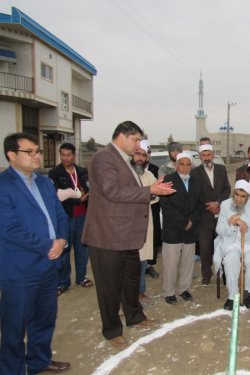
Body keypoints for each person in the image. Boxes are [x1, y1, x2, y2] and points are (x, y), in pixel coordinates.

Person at [82, 121, 176, 349]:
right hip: (108, 236)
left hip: (127, 236)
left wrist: (154, 190)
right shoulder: (105, 158)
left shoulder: (124, 161)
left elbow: (131, 193)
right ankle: (112, 329)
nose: (137, 146)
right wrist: (150, 190)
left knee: (130, 281)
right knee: (109, 287)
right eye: (135, 140)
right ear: (122, 136)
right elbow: (112, 191)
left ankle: (135, 316)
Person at [0, 133, 70, 374]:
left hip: (49, 265)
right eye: (29, 152)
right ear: (11, 155)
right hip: (20, 269)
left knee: (44, 319)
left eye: (38, 151)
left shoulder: (43, 182)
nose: (36, 155)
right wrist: (47, 245)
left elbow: (60, 215)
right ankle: (12, 369)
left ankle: (39, 361)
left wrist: (61, 241)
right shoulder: (3, 185)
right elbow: (9, 228)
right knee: (15, 325)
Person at [214, 180, 250, 311]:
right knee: (231, 259)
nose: (239, 199)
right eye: (236, 195)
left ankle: (247, 292)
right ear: (233, 193)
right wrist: (233, 224)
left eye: (243, 196)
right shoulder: (225, 205)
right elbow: (219, 229)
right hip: (230, 241)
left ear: (248, 197)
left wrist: (241, 217)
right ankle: (233, 295)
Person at [49, 142, 93, 295]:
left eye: (69, 155)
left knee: (82, 249)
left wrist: (85, 196)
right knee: (65, 250)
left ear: (74, 155)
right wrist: (78, 199)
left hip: (83, 216)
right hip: (65, 217)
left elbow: (89, 189)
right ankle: (63, 282)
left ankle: (82, 277)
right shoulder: (55, 173)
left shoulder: (82, 171)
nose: (66, 158)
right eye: (63, 155)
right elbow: (57, 196)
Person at [160, 152, 202, 304]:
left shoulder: (196, 182)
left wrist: (192, 220)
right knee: (171, 263)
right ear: (176, 165)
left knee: (187, 262)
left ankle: (183, 288)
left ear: (191, 166)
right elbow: (166, 206)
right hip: (173, 230)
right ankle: (169, 291)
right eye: (182, 164)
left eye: (188, 164)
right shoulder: (168, 180)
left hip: (191, 230)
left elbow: (200, 204)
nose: (185, 168)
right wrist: (184, 221)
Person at [191, 144, 231, 285]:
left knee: (224, 246)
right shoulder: (195, 173)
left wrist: (218, 203)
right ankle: (206, 276)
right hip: (204, 216)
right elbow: (195, 194)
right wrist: (210, 206)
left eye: (209, 155)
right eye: (204, 155)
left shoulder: (221, 169)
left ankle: (226, 274)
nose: (206, 158)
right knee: (205, 247)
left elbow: (227, 189)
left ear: (213, 155)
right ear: (200, 156)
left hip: (221, 214)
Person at [131, 140, 158, 307]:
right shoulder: (123, 173)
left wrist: (151, 193)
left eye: (143, 155)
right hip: (127, 228)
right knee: (127, 266)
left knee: (142, 263)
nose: (140, 158)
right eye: (137, 154)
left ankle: (140, 293)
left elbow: (157, 194)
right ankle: (124, 300)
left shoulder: (148, 176)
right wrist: (147, 193)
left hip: (144, 225)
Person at [145, 145, 162, 279]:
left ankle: (151, 265)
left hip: (154, 208)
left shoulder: (154, 170)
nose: (143, 157)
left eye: (146, 154)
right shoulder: (130, 170)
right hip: (138, 210)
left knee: (154, 237)